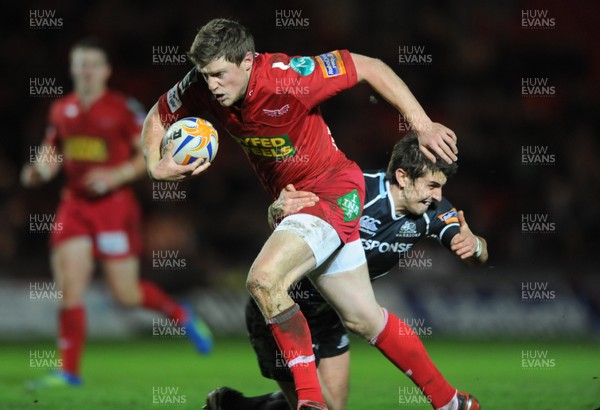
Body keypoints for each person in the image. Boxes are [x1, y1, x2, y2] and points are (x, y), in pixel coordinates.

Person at [142, 19, 460, 410]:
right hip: (296, 202)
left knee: (263, 279)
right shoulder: (200, 86)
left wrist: (423, 127)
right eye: (206, 75)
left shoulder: (288, 76)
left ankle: (310, 404)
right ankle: (454, 403)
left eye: (220, 74)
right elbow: (157, 115)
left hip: (332, 190)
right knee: (364, 318)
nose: (211, 85)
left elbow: (371, 67)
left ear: (246, 61)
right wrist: (155, 166)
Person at [203, 134, 486, 410]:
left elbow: (478, 255)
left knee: (334, 405)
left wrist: (475, 246)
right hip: (285, 310)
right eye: (432, 185)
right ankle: (448, 401)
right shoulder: (354, 189)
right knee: (314, 403)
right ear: (402, 177)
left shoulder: (433, 211)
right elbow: (287, 215)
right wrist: (278, 207)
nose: (438, 196)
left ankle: (232, 404)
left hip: (334, 311)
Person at [21, 38, 213, 389]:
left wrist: (116, 175)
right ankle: (69, 372)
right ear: (74, 70)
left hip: (114, 207)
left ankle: (180, 313)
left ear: (106, 71)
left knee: (125, 294)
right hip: (74, 206)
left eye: (94, 64)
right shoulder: (62, 110)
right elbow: (51, 154)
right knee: (70, 287)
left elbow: (150, 153)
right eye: (81, 64)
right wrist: (38, 171)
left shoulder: (123, 109)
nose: (87, 71)